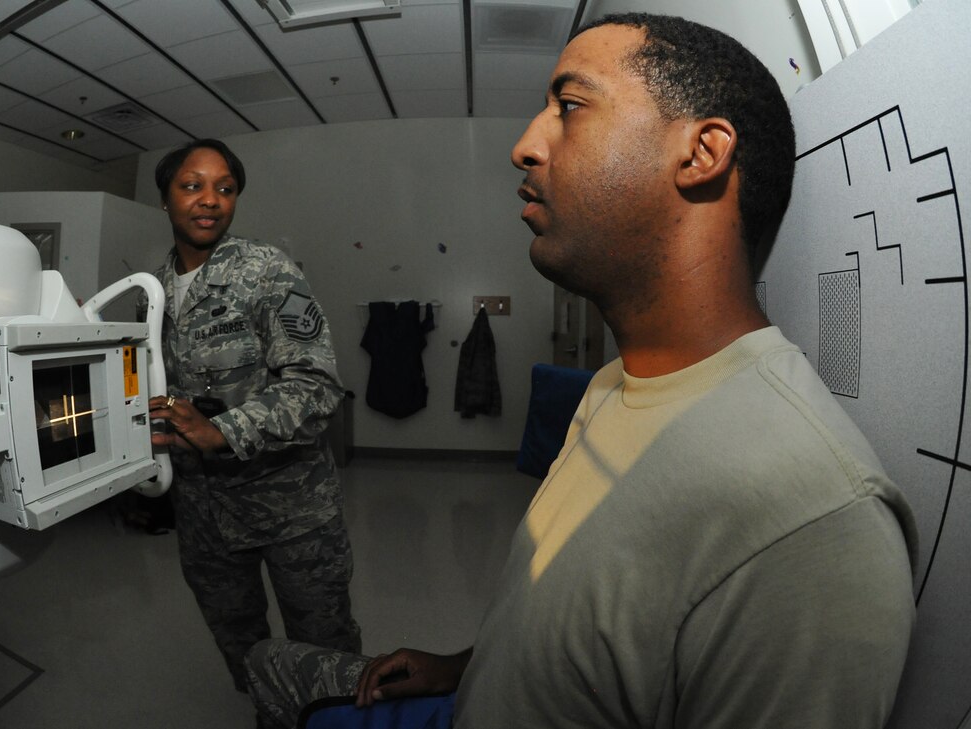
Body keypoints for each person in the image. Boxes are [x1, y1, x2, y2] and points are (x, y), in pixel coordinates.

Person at [245, 13, 918, 729]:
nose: (524, 145)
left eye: (569, 107)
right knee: (265, 663)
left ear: (701, 153)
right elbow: (576, 616)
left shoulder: (812, 527)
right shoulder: (611, 386)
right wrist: (468, 666)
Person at [147, 138, 361, 693]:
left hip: (291, 509)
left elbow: (316, 387)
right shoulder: (151, 292)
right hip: (203, 515)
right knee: (241, 647)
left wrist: (222, 430)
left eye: (225, 188)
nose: (210, 200)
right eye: (192, 185)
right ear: (165, 199)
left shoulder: (266, 270)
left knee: (324, 654)